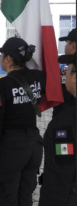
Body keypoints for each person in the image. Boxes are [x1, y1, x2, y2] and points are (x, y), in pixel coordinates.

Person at [0, 37, 46, 206]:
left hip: (11, 148)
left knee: (4, 197)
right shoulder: (38, 77)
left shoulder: (2, 85)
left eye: (2, 55)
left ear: (8, 59)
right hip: (34, 146)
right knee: (25, 196)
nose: (0, 58)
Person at [39, 52, 76, 206]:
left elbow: (60, 175)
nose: (65, 72)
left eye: (68, 68)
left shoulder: (64, 123)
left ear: (75, 77)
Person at [52, 28, 76, 118]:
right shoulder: (64, 69)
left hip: (65, 123)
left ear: (73, 45)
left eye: (66, 43)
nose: (65, 47)